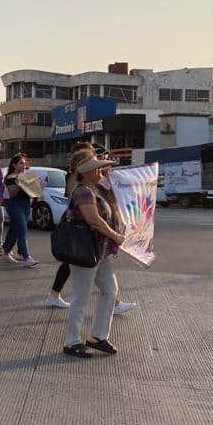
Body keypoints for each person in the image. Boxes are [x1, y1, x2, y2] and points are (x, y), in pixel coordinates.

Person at [62, 151, 127, 358]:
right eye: (97, 167)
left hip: (100, 253)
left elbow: (114, 208)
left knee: (110, 290)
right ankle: (72, 342)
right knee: (81, 296)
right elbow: (93, 220)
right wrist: (115, 235)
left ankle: (99, 336)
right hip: (85, 251)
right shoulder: (83, 192)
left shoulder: (95, 190)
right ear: (86, 171)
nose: (102, 170)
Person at [2, 153, 39, 268]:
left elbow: (32, 192)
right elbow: (12, 194)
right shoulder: (11, 177)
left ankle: (6, 250)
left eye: (24, 163)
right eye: (20, 163)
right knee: (22, 229)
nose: (23, 165)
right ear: (14, 165)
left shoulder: (26, 175)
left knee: (14, 229)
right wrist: (20, 184)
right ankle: (26, 256)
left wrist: (37, 187)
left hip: (25, 204)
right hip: (14, 205)